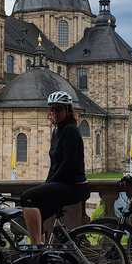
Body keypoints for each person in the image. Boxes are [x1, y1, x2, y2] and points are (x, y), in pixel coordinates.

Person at [21, 91, 90, 245]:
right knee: (41, 210)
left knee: (27, 198)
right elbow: (54, 165)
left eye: (58, 109)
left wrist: (50, 183)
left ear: (67, 111)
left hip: (74, 186)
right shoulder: (57, 130)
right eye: (52, 109)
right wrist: (48, 183)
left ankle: (36, 246)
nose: (54, 113)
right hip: (64, 183)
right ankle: (42, 251)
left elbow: (68, 164)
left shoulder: (70, 130)